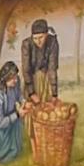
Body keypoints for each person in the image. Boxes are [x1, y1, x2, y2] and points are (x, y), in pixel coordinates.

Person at [21, 19, 59, 156]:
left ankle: (47, 148)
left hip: (46, 80)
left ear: (46, 34)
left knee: (47, 113)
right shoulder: (26, 44)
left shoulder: (53, 42)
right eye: (35, 38)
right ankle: (35, 151)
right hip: (31, 81)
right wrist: (32, 93)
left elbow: (52, 68)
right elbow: (26, 70)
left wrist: (54, 93)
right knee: (32, 116)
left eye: (41, 37)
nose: (38, 41)